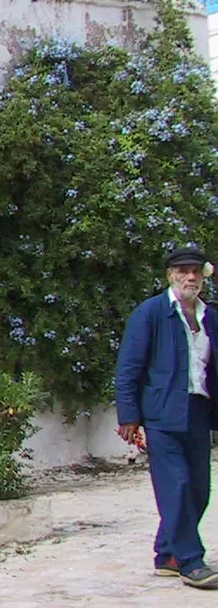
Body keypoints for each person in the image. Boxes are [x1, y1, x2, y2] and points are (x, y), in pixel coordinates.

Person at [115, 246, 218, 589]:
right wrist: (129, 416)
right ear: (170, 275)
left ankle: (166, 556)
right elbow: (129, 368)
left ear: (204, 275)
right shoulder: (151, 313)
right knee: (176, 487)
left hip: (199, 412)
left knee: (199, 490)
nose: (190, 278)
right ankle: (191, 561)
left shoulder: (210, 317)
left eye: (195, 272)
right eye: (183, 271)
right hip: (161, 415)